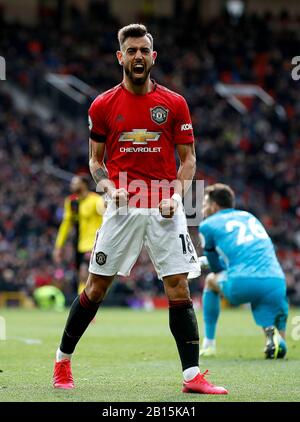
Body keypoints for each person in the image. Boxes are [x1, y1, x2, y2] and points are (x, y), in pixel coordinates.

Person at [52, 23, 228, 395]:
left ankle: (192, 376)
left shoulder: (174, 103)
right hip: (123, 207)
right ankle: (62, 360)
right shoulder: (102, 105)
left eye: (143, 51)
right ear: (120, 56)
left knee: (179, 286)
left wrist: (176, 195)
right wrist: (106, 186)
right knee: (96, 287)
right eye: (130, 51)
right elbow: (95, 160)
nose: (137, 57)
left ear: (153, 56)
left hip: (165, 206)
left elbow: (189, 160)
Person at [198, 183, 288, 359]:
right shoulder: (249, 216)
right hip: (276, 280)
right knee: (265, 303)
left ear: (214, 206)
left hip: (242, 282)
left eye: (204, 205)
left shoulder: (208, 225)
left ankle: (208, 344)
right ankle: (276, 341)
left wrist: (204, 263)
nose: (202, 209)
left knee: (210, 280)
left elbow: (216, 267)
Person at [53, 175, 105, 294]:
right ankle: (83, 304)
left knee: (84, 274)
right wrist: (59, 246)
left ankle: (83, 306)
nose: (72, 185)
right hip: (78, 244)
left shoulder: (96, 200)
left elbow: (106, 219)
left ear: (84, 184)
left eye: (75, 183)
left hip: (93, 244)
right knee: (81, 277)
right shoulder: (71, 202)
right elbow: (65, 225)